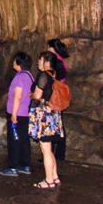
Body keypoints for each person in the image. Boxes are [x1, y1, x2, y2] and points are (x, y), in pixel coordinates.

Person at [29, 52, 64, 189]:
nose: (38, 62)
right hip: (52, 114)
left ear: (46, 62)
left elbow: (38, 95)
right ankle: (54, 177)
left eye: (40, 60)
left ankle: (48, 180)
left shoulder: (43, 75)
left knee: (45, 150)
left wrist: (31, 94)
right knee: (49, 149)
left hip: (44, 116)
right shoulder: (54, 75)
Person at [0, 52, 34, 176]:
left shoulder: (19, 77)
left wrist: (13, 115)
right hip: (25, 114)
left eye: (14, 61)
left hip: (17, 114)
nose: (13, 63)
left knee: (14, 140)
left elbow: (18, 96)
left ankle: (13, 166)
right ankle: (25, 165)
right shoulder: (30, 76)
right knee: (23, 139)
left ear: (19, 63)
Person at [46, 38, 69, 161]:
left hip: (56, 97)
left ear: (53, 48)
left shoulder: (57, 62)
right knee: (56, 124)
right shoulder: (60, 61)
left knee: (56, 125)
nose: (47, 49)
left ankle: (57, 154)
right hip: (57, 96)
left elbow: (57, 80)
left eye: (49, 47)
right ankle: (54, 154)